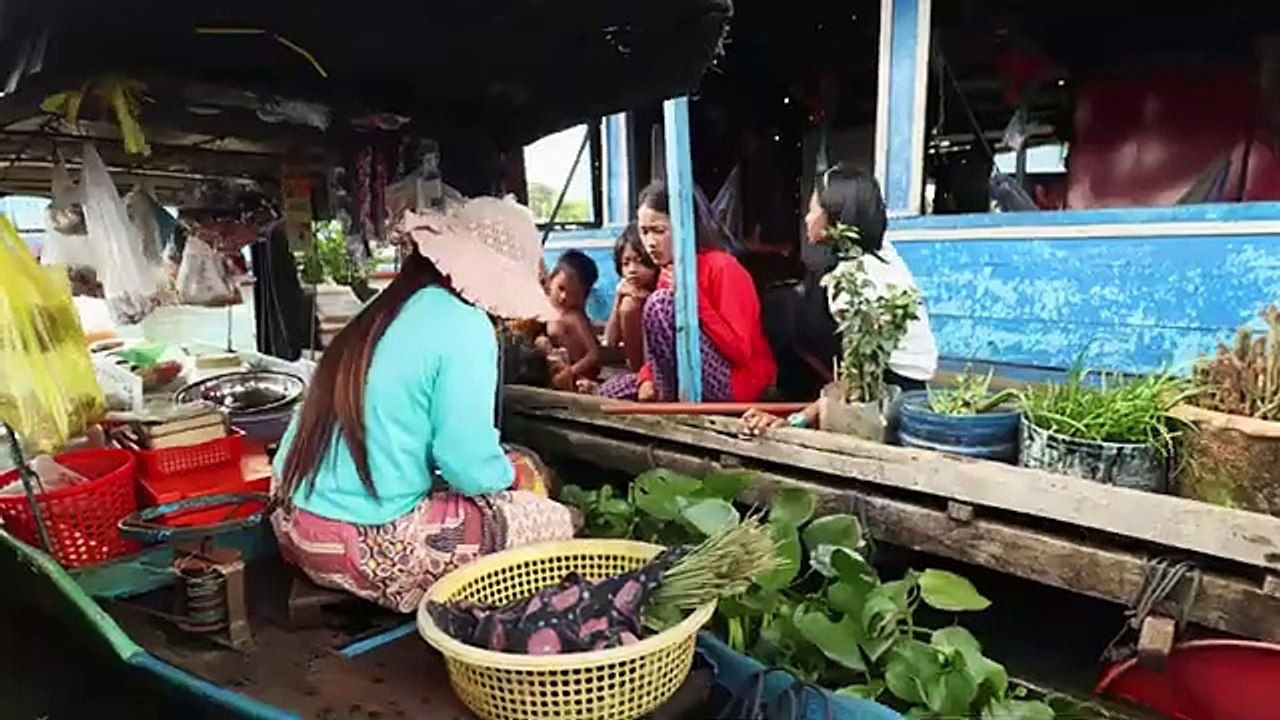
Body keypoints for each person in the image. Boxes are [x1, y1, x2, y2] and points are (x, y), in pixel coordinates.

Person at [270, 194, 576, 614]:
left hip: (291, 523)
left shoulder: (381, 306)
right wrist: (515, 477)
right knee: (554, 520)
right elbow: (467, 467)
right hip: (359, 544)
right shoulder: (464, 324)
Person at [744, 165, 938, 434]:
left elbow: (859, 374)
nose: (807, 218)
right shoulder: (880, 253)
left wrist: (799, 419)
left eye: (813, 210)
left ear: (834, 221)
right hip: (909, 385)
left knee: (789, 314)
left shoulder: (852, 279)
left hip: (893, 390)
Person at [591, 181, 776, 402]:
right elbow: (659, 354)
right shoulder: (668, 272)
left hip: (738, 381)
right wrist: (646, 378)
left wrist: (694, 299)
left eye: (659, 231)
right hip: (682, 376)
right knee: (606, 395)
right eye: (644, 232)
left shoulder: (723, 268)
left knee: (660, 304)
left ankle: (667, 408)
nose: (650, 243)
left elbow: (740, 351)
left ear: (684, 226)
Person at [537, 249, 602, 388]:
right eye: (561, 288)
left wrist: (571, 372)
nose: (563, 297)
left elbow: (593, 355)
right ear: (551, 279)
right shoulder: (549, 309)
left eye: (573, 294)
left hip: (578, 374)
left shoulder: (574, 317)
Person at [603, 224, 659, 371]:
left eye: (640, 261)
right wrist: (619, 297)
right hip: (640, 369)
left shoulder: (664, 283)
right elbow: (610, 341)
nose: (632, 270)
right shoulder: (626, 288)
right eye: (626, 263)